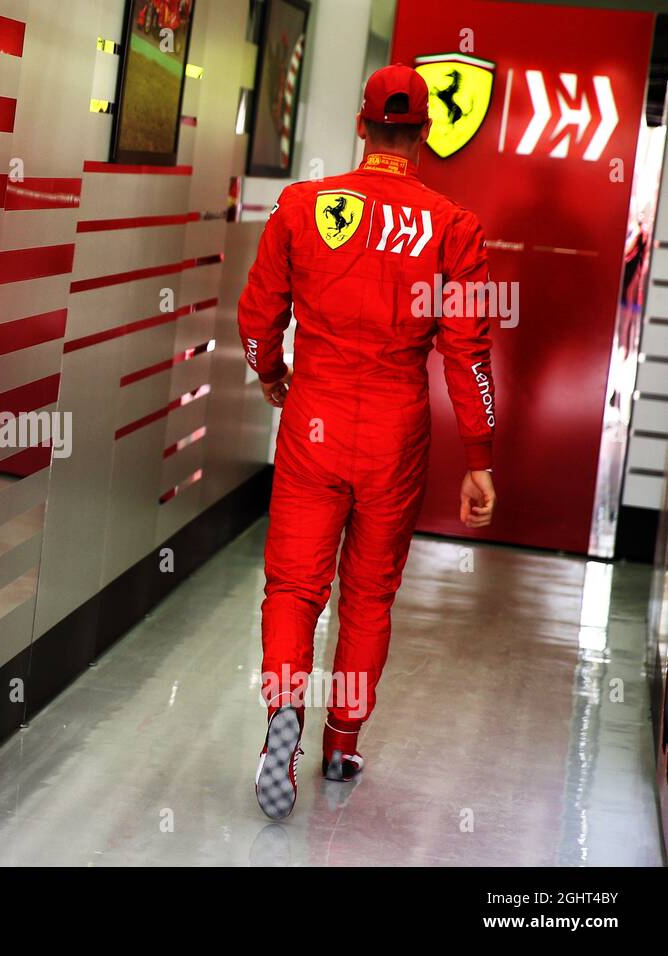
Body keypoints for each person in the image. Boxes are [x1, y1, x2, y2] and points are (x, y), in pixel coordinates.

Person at [238, 64, 498, 819]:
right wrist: (480, 456)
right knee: (368, 596)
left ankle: (281, 717)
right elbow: (470, 351)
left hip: (314, 418)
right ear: (423, 135)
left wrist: (270, 374)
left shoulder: (302, 206)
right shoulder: (453, 227)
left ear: (362, 126)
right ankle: (343, 741)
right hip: (395, 431)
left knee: (293, 587)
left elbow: (258, 319)